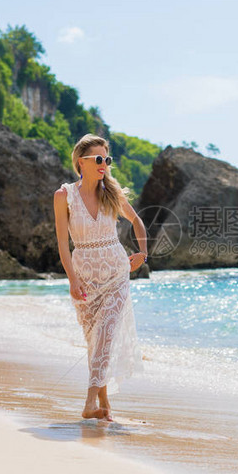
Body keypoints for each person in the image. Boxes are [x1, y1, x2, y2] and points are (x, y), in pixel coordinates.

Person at [53, 134, 148, 421]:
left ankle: (89, 400)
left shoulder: (112, 193)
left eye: (106, 159)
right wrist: (72, 279)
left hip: (116, 272)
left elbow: (137, 221)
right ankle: (104, 406)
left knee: (106, 333)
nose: (103, 164)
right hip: (84, 275)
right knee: (95, 340)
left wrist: (142, 254)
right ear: (80, 162)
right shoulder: (64, 196)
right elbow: (62, 243)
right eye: (97, 159)